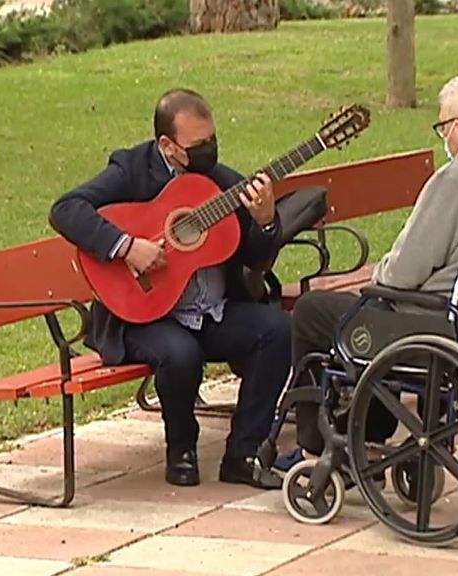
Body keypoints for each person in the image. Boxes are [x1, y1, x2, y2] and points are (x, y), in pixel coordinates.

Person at [277, 71, 458, 469]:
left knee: (315, 312)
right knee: (370, 317)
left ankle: (315, 450)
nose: (443, 135)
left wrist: (379, 278)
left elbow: (401, 275)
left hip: (444, 325)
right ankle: (368, 434)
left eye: (443, 125)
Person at [49, 88, 289, 489]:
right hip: (143, 313)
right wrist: (126, 247)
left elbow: (256, 258)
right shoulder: (132, 170)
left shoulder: (221, 182)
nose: (209, 150)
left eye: (212, 139)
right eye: (198, 145)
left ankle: (243, 454)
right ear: (167, 145)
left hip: (210, 311)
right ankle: (181, 449)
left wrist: (265, 221)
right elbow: (66, 209)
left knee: (276, 330)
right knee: (180, 354)